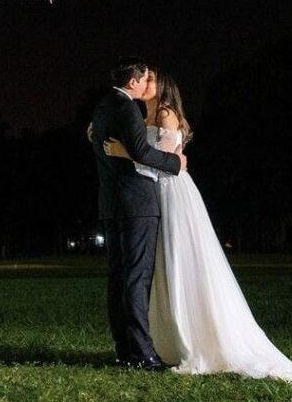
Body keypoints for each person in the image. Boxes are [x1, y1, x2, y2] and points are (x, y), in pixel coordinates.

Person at [104, 70, 292, 383]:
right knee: (158, 266)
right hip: (152, 192)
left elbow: (163, 159)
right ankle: (160, 340)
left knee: (178, 260)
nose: (146, 84)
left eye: (151, 80)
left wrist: (124, 152)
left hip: (170, 190)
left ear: (163, 86)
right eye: (143, 79)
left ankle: (189, 338)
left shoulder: (165, 114)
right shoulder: (140, 114)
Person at [89, 58, 186, 372]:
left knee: (119, 278)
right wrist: (176, 164)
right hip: (136, 204)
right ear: (134, 82)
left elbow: (106, 142)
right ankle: (142, 354)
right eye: (146, 80)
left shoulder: (103, 107)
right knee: (136, 278)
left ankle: (124, 350)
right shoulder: (127, 107)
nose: (148, 85)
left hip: (111, 203)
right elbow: (142, 153)